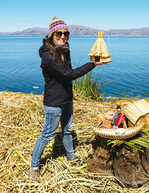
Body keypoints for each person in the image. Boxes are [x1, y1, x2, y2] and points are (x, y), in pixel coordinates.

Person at [27, 17, 109, 181]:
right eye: (59, 33)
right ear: (52, 34)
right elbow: (68, 75)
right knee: (47, 134)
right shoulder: (47, 56)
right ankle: (33, 167)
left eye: (66, 33)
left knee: (67, 129)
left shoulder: (64, 50)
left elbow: (67, 75)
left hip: (66, 99)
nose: (63, 36)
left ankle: (71, 158)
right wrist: (92, 64)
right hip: (54, 102)